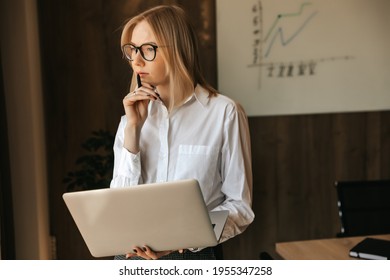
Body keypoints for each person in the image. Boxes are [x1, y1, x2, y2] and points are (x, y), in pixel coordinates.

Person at [110, 5, 254, 260]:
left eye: (148, 49)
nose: (136, 61)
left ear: (177, 49)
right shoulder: (131, 119)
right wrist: (133, 130)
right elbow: (119, 209)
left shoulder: (224, 113)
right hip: (131, 259)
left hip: (194, 257)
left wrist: (186, 238)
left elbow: (240, 206)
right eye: (132, 50)